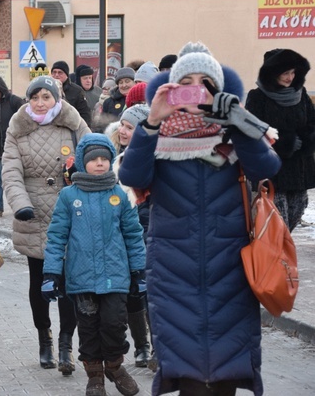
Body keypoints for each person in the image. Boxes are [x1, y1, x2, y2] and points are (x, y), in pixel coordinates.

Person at [119, 42, 281, 396]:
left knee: (226, 374)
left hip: (230, 267)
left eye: (205, 81)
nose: (196, 88)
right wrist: (152, 122)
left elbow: (267, 168)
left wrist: (238, 123)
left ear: (218, 89)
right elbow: (132, 176)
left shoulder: (234, 130)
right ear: (172, 87)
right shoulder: (159, 134)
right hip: (173, 269)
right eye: (186, 80)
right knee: (189, 376)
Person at [43, 133, 145, 396]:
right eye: (93, 159)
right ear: (81, 162)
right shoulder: (68, 196)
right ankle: (95, 377)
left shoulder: (121, 195)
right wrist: (52, 272)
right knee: (88, 329)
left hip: (116, 276)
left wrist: (138, 270)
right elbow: (56, 237)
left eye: (104, 159)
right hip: (82, 277)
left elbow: (133, 235)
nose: (99, 163)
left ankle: (114, 365)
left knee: (114, 324)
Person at [2, 75, 90, 375]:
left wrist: (80, 170)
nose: (40, 103)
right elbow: (11, 172)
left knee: (68, 283)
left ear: (57, 98)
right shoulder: (17, 129)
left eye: (46, 97)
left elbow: (95, 157)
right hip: (34, 214)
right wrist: (20, 204)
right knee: (39, 282)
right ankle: (44, 338)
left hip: (69, 212)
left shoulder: (74, 124)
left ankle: (67, 344)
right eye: (35, 97)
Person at [245, 48, 315, 231]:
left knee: (295, 215)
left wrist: (305, 141)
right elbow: (252, 131)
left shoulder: (301, 94)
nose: (290, 77)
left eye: (293, 72)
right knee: (277, 222)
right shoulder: (257, 97)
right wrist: (285, 142)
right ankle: (278, 258)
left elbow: (312, 123)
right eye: (285, 73)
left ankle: (282, 255)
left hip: (299, 168)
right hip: (271, 169)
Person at [108, 104, 155, 369]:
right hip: (121, 233)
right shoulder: (116, 154)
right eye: (122, 125)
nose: (122, 131)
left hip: (143, 233)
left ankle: (154, 347)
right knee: (132, 294)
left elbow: (146, 204)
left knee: (147, 292)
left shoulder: (145, 157)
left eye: (129, 127)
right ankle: (142, 346)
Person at [0, 74, 24, 218]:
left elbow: (24, 116)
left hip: (15, 148)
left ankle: (20, 206)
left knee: (17, 178)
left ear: (1, 89)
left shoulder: (14, 101)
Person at [50, 60, 92, 126]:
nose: (56, 75)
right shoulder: (47, 89)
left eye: (60, 72)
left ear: (66, 75)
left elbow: (85, 114)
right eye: (54, 72)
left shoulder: (77, 91)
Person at [95, 67, 135, 133]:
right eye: (121, 82)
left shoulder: (140, 101)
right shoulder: (109, 102)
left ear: (134, 82)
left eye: (127, 81)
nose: (124, 85)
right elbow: (101, 126)